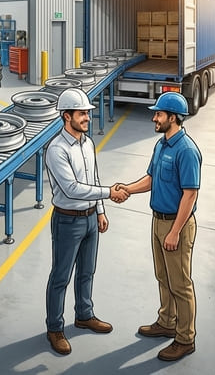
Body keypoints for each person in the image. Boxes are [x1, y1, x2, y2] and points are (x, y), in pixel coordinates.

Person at [43, 88, 129, 355]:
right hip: (68, 221)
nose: (87, 118)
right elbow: (72, 189)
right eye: (81, 114)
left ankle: (84, 315)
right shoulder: (56, 150)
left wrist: (100, 211)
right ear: (66, 116)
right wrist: (109, 193)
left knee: (87, 272)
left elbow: (93, 178)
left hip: (91, 218)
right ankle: (55, 328)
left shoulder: (88, 144)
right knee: (61, 276)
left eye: (87, 114)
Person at [118, 92, 200, 362]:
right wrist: (127, 189)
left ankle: (185, 339)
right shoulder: (161, 145)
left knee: (181, 284)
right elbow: (151, 179)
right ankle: (167, 322)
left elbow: (190, 195)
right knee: (163, 277)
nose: (154, 118)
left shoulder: (186, 150)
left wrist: (175, 232)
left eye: (159, 114)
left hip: (177, 225)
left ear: (173, 118)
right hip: (158, 220)